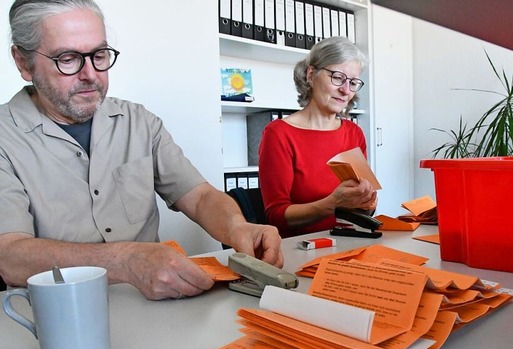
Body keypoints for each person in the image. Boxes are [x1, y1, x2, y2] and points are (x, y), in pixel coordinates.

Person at [0, 0, 283, 300]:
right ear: (22, 62)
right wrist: (125, 261)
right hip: (51, 319)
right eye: (68, 59)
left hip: (153, 311)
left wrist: (237, 226)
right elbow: (11, 255)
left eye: (99, 55)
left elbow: (199, 196)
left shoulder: (139, 121)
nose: (91, 75)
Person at [258, 36, 378, 238]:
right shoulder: (279, 134)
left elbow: (363, 211)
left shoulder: (353, 133)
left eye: (353, 82)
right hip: (300, 248)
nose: (346, 90)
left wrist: (366, 201)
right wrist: (332, 204)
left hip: (349, 242)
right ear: (311, 74)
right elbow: (276, 216)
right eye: (338, 77)